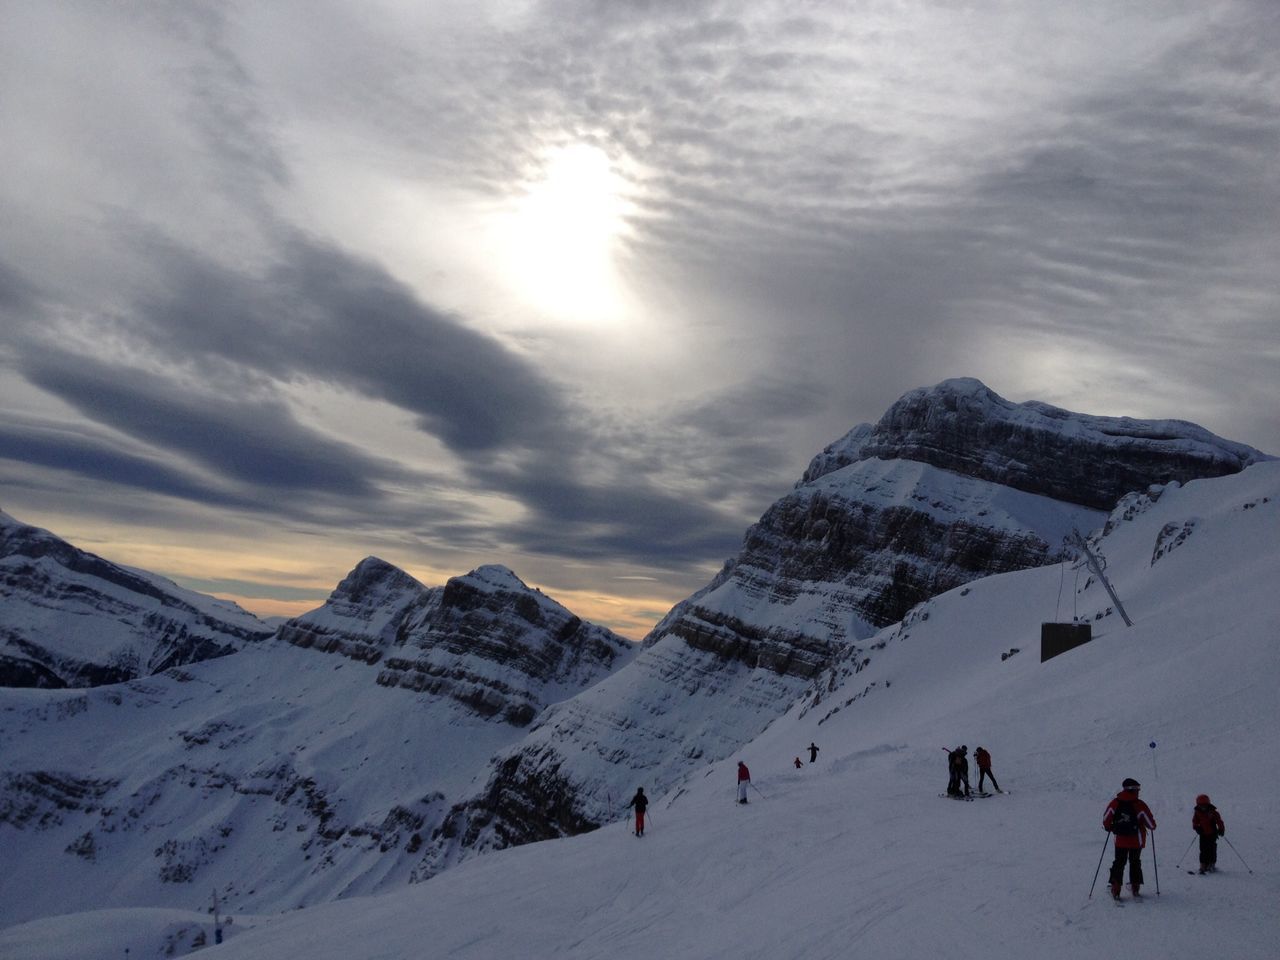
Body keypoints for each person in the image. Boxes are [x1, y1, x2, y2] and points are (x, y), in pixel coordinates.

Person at [1103, 777, 1157, 898]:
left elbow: (1106, 817)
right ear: (1133, 790)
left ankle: (1116, 888)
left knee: (1119, 862)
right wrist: (1152, 826)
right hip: (1136, 841)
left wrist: (1109, 827)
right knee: (1135, 862)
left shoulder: (1115, 803)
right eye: (1138, 789)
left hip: (1120, 840)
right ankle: (1135, 887)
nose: (1139, 791)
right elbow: (1151, 824)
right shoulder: (1139, 804)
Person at [1192, 794, 1225, 874]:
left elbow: (1219, 821)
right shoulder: (1197, 812)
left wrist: (1221, 829)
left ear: (1208, 804)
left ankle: (1211, 864)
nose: (1203, 807)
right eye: (1201, 805)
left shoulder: (1213, 812)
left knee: (1211, 849)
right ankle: (1203, 864)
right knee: (1203, 849)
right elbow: (1195, 821)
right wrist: (1197, 828)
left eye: (1204, 805)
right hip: (1203, 834)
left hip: (1212, 834)